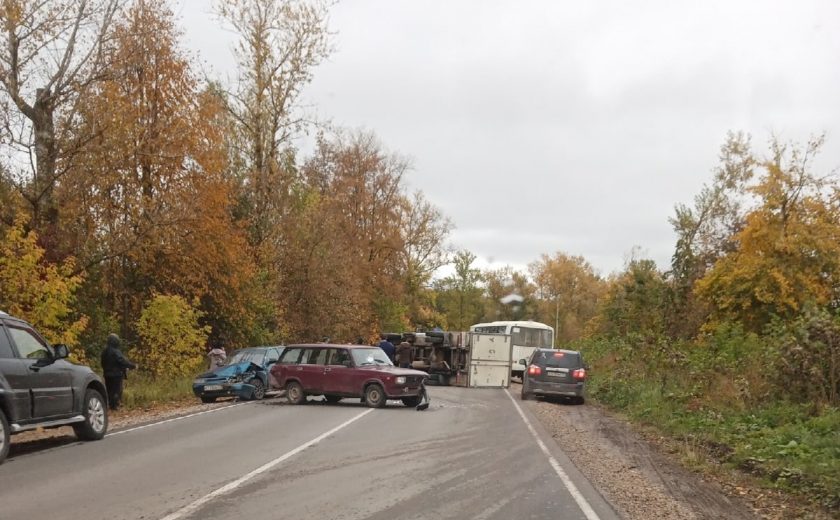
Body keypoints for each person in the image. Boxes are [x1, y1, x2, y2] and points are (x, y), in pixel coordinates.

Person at [100, 333, 137, 410]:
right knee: (117, 391)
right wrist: (132, 366)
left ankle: (111, 406)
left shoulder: (104, 351)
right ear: (115, 341)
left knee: (109, 391)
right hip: (116, 375)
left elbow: (102, 363)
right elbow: (122, 361)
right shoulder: (116, 351)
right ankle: (116, 406)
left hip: (107, 374)